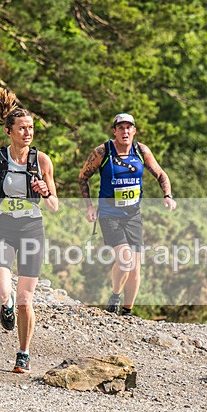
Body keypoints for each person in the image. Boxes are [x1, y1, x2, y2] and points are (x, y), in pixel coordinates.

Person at [0, 88, 59, 373]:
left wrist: (45, 191)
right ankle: (5, 304)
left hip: (32, 227)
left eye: (31, 128)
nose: (28, 133)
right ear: (9, 131)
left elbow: (55, 206)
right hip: (5, 226)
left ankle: (23, 353)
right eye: (22, 128)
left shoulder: (42, 160)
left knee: (26, 300)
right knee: (0, 292)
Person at [78, 112, 176, 315]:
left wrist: (167, 195)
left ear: (134, 131)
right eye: (120, 127)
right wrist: (88, 207)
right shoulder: (103, 151)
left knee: (135, 267)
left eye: (128, 127)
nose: (125, 131)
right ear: (114, 131)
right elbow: (82, 177)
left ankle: (126, 311)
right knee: (125, 259)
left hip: (133, 215)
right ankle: (115, 296)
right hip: (109, 214)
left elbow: (160, 174)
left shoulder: (141, 150)